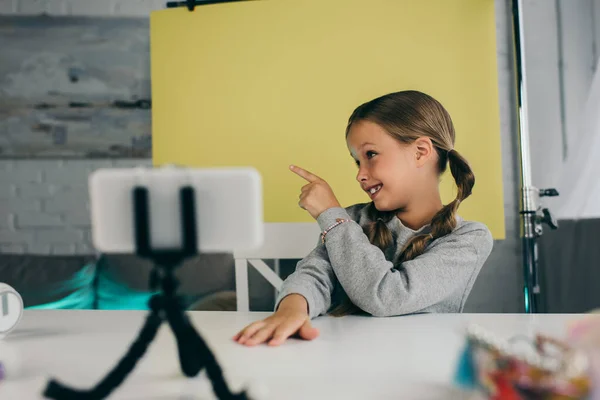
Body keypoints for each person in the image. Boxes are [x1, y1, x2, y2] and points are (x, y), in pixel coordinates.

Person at [233, 90, 493, 347]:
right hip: (347, 360)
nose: (360, 175)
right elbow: (316, 274)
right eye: (357, 162)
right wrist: (292, 308)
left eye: (370, 155)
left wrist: (331, 216)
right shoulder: (352, 219)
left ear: (420, 152)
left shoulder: (468, 239)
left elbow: (388, 296)